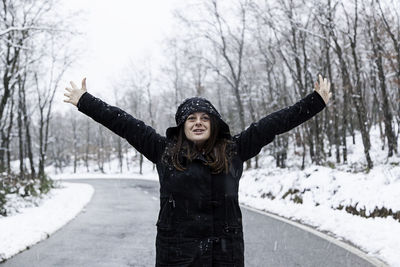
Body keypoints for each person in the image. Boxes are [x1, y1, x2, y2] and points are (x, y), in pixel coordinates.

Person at [64, 75, 331, 266]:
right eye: (191, 118)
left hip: (224, 255)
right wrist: (85, 101)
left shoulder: (234, 150)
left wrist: (315, 101)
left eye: (205, 118)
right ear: (182, 126)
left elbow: (274, 124)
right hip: (177, 255)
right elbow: (124, 124)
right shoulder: (164, 151)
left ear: (214, 125)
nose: (198, 123)